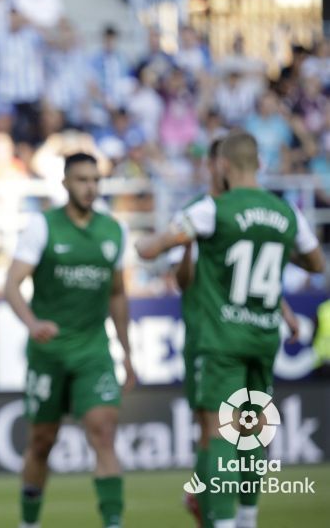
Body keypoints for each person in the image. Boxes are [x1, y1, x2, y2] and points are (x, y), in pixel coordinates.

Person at [137, 131, 324, 528]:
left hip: (218, 336)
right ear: (260, 163)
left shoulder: (210, 210)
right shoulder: (286, 212)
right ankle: (246, 517)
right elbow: (315, 263)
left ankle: (218, 518)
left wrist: (142, 243)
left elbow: (152, 251)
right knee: (252, 432)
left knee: (217, 432)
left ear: (222, 164)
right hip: (262, 337)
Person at [167, 139, 301, 527]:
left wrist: (284, 310)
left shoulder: (249, 214)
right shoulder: (196, 212)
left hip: (245, 330)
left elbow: (255, 277)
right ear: (215, 167)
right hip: (206, 335)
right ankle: (212, 510)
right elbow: (182, 279)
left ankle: (215, 505)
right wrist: (189, 246)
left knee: (250, 428)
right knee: (215, 430)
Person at [4, 152, 132, 528]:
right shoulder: (42, 227)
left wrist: (127, 352)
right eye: (82, 180)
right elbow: (11, 285)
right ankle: (29, 522)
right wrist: (32, 322)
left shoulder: (114, 231)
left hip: (93, 351)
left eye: (95, 180)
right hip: (49, 352)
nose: (90, 187)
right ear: (65, 184)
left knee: (104, 433)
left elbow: (119, 294)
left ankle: (113, 522)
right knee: (42, 441)